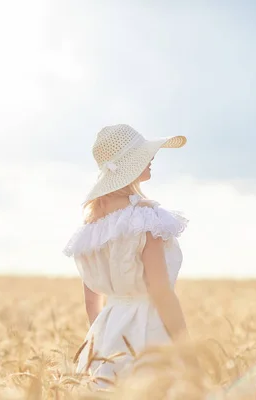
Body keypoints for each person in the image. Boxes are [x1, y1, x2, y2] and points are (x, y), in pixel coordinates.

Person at [63, 123, 190, 384]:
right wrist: (187, 349)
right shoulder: (145, 219)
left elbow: (91, 302)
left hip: (107, 331)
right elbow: (161, 293)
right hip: (150, 329)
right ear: (130, 164)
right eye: (146, 155)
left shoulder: (91, 228)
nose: (152, 158)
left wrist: (102, 345)